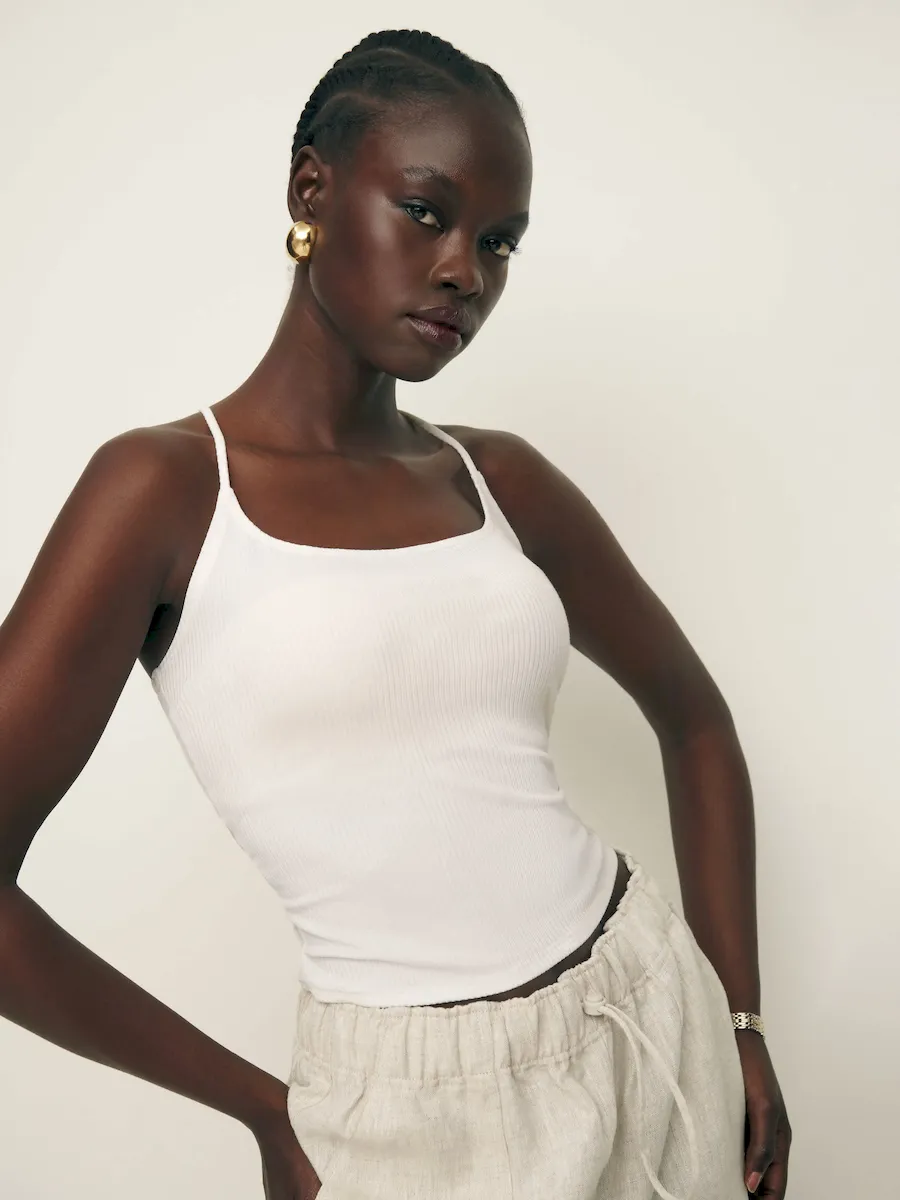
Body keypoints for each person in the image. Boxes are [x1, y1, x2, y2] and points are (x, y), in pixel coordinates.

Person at [0, 26, 791, 1200]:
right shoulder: (163, 490)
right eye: (427, 212)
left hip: (648, 1022)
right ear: (310, 191)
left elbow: (697, 720)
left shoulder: (496, 477)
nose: (466, 270)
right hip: (403, 1115)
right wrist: (264, 1110)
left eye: (501, 241)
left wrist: (739, 1019)